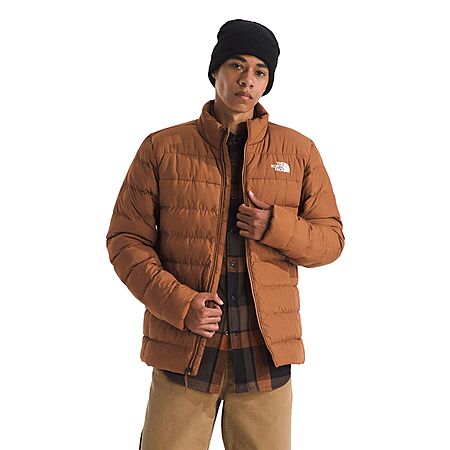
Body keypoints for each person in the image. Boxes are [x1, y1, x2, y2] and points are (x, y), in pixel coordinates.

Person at [106, 18, 345, 450]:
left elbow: (330, 241)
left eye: (260, 71)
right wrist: (181, 305)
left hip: (264, 355)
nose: (247, 80)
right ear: (215, 70)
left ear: (268, 82)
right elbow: (125, 241)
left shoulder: (299, 151)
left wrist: (274, 226)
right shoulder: (162, 148)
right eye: (237, 65)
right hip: (186, 349)